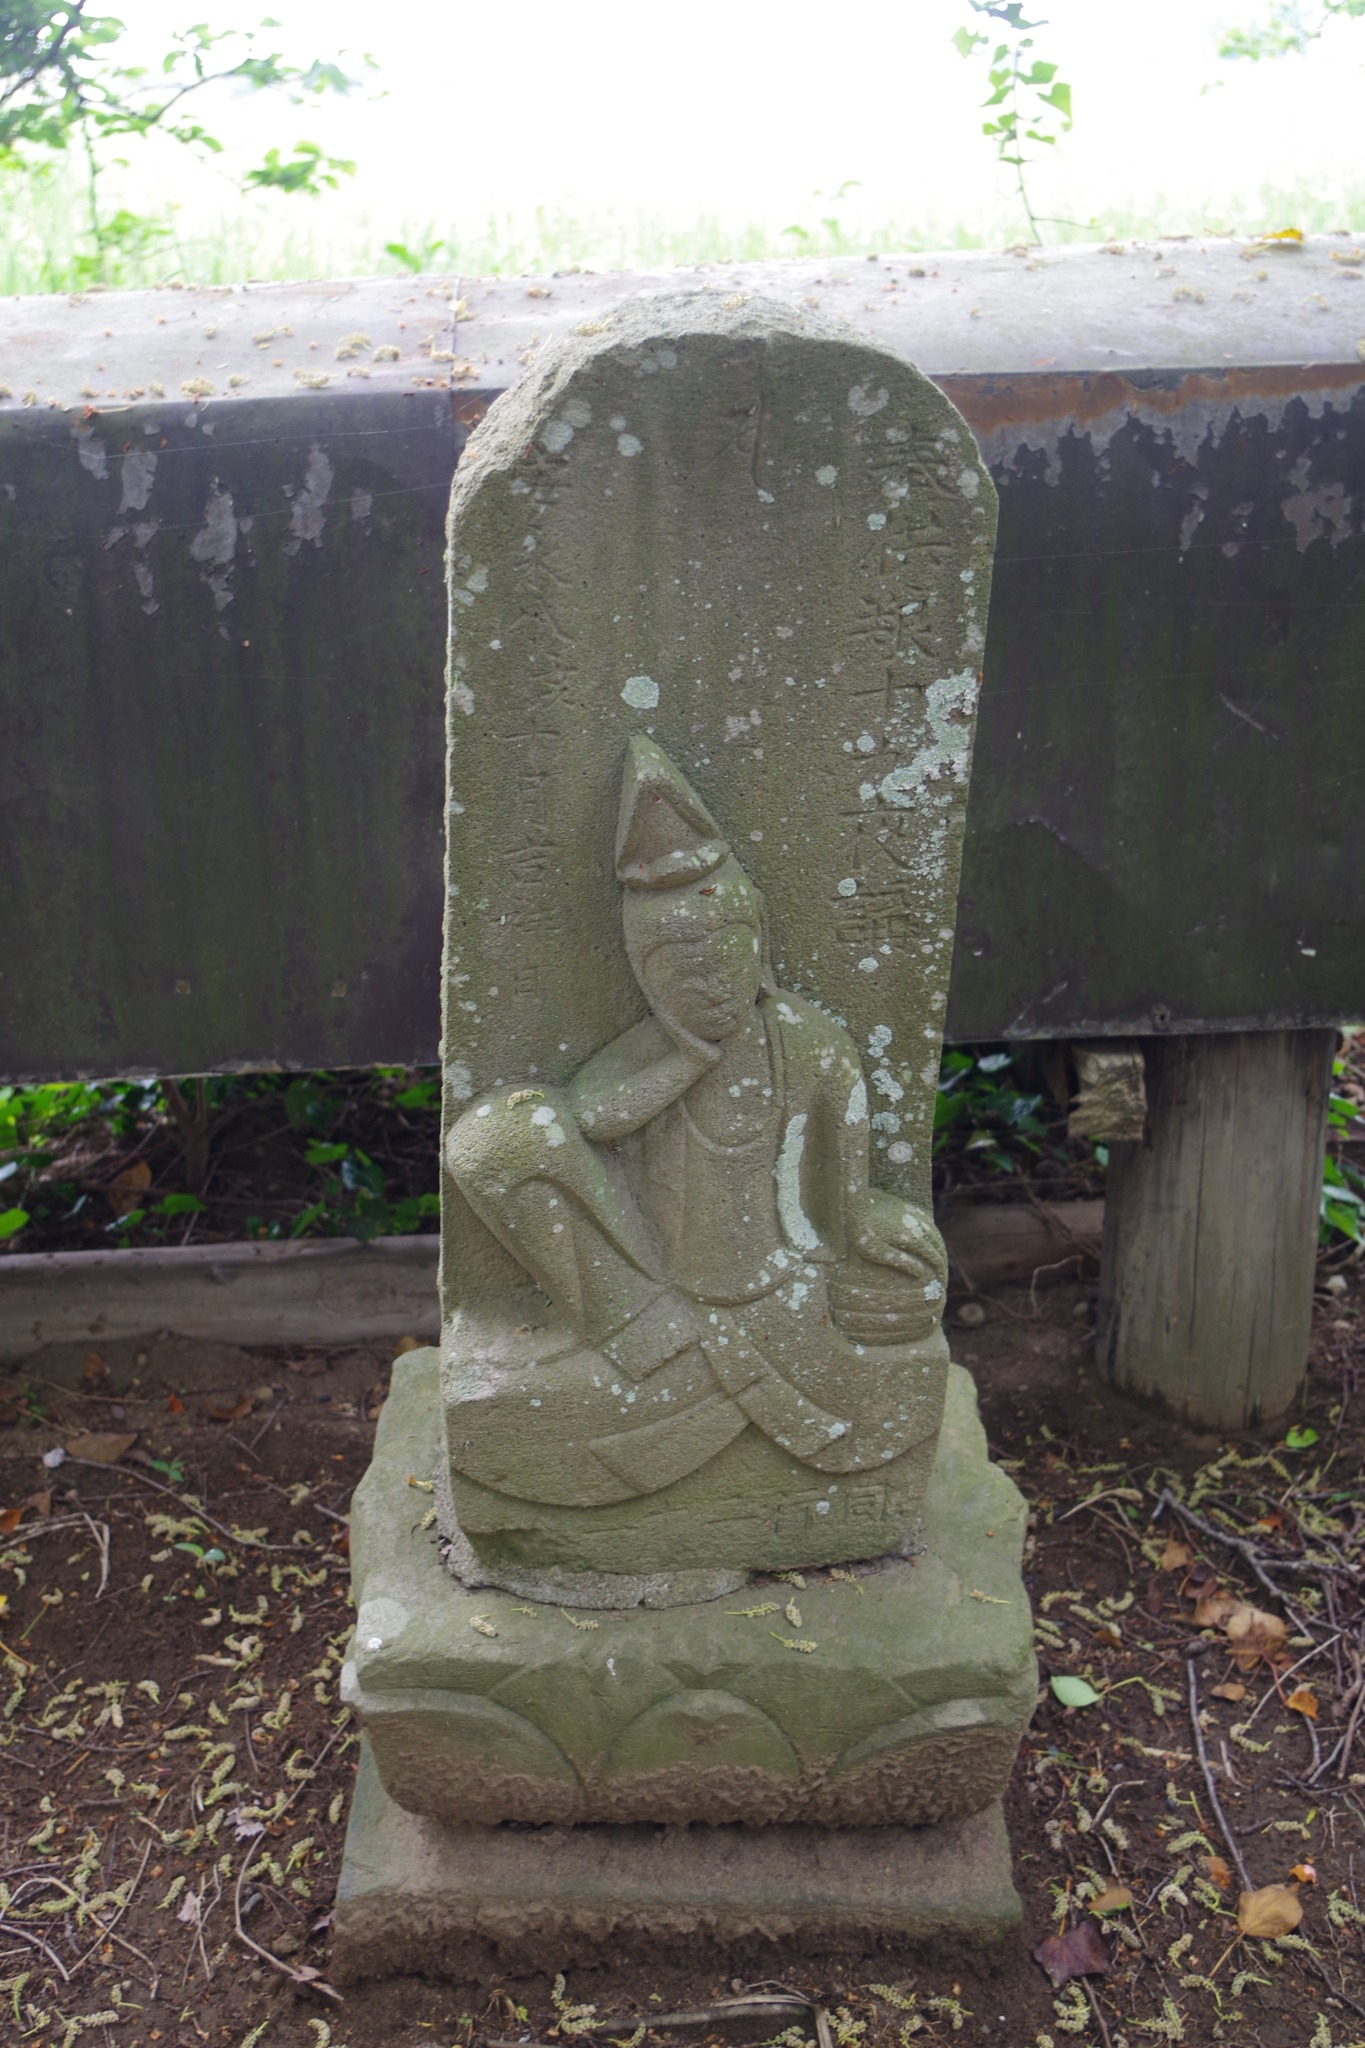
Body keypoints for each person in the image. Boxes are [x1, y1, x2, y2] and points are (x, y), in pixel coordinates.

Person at [446, 737, 948, 1510]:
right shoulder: (653, 1050)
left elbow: (843, 1193)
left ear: (759, 948)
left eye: (724, 957)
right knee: (496, 1137)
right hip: (655, 1304)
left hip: (782, 1289)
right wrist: (684, 1061)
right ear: (645, 977)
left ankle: (703, 1394)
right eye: (679, 969)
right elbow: (589, 1117)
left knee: (897, 1363)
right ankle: (653, 1350)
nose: (708, 984)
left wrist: (873, 1236)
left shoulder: (811, 1045)